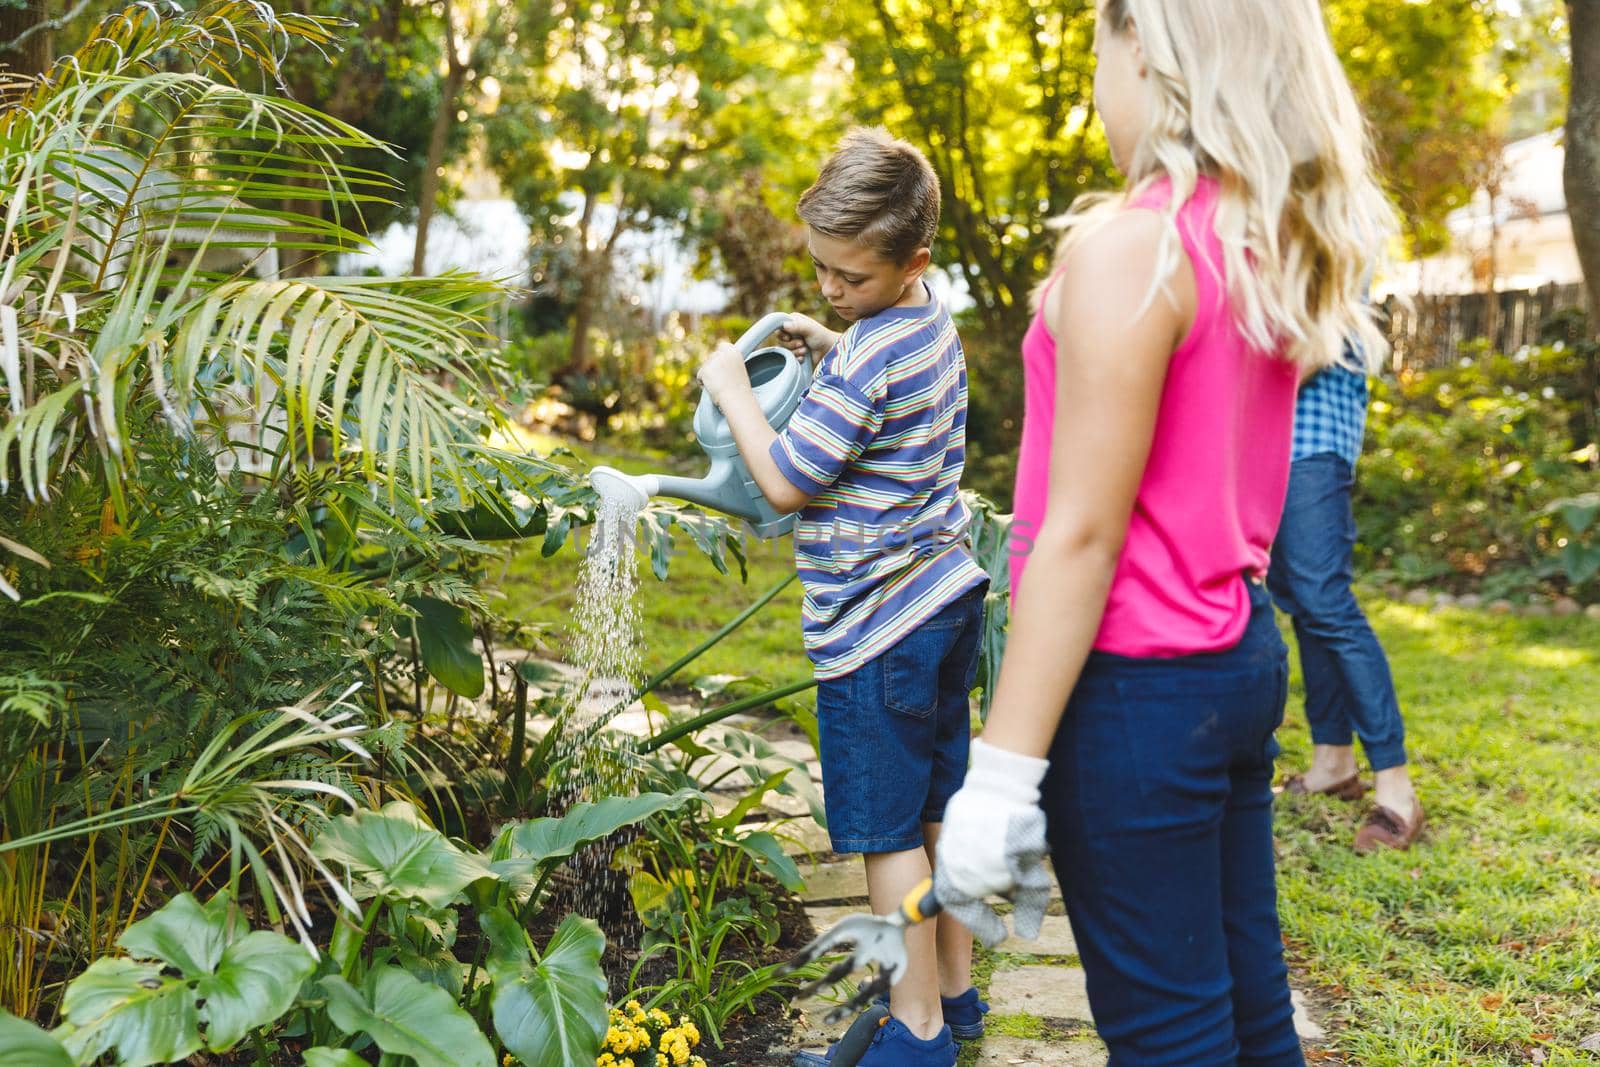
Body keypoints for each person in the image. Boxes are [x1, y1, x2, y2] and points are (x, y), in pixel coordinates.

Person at [930, 1, 1399, 1064]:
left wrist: (997, 778)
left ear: (1145, 45)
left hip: (1135, 685)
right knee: (1246, 1007)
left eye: (1101, 49)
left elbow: (1082, 535)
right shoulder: (1260, 243)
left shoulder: (1132, 250)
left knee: (1169, 1034)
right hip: (1234, 655)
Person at [696, 127, 990, 1067]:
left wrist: (732, 388)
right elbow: (889, 385)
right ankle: (956, 988)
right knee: (939, 804)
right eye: (821, 269)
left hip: (875, 632)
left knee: (885, 834)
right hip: (945, 602)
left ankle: (915, 1036)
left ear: (913, 261)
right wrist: (841, 336)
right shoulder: (926, 322)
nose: (830, 290)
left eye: (850, 280)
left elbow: (786, 480)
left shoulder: (867, 357)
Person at [1270, 363, 1424, 850]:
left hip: (1309, 440)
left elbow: (1317, 340)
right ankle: (1332, 762)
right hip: (1262, 443)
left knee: (1326, 602)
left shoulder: (1328, 281)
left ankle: (1397, 786)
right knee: (1303, 604)